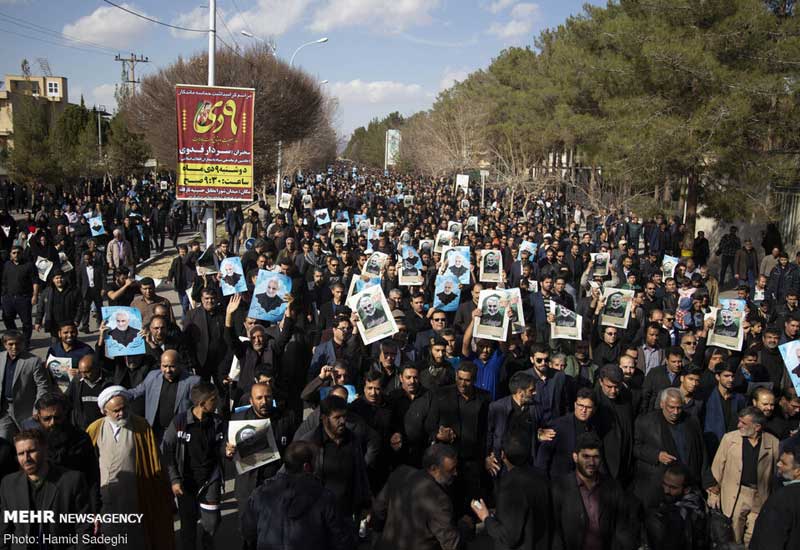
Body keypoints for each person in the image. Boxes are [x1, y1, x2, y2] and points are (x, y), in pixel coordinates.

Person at [85, 386, 175, 550]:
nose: (121, 413)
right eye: (116, 411)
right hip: (106, 498)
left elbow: (154, 461)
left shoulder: (141, 426)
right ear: (105, 411)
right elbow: (87, 465)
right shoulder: (95, 429)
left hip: (136, 495)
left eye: (125, 408)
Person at [241, 440, 355, 550]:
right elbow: (341, 539)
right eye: (315, 461)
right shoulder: (324, 498)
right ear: (306, 467)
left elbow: (248, 532)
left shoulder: (260, 494)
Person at [162, 382, 225, 550]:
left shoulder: (218, 422)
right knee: (188, 526)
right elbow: (167, 452)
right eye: (214, 399)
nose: (218, 401)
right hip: (186, 483)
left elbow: (225, 448)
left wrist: (229, 450)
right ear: (202, 404)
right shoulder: (179, 423)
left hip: (210, 481)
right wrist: (175, 480)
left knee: (211, 523)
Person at [0, 430, 93, 543]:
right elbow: (4, 530)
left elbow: (84, 528)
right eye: (21, 454)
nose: (26, 458)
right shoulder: (8, 484)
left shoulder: (72, 481)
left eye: (31, 451)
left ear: (45, 449)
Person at [372, 443, 468, 550]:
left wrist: (376, 535)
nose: (456, 473)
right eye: (451, 470)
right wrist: (464, 527)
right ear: (434, 469)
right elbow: (452, 544)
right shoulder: (439, 499)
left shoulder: (400, 473)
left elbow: (378, 509)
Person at [551, 433, 638, 550]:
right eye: (586, 456)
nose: (591, 462)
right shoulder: (559, 488)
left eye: (596, 457)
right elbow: (554, 531)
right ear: (575, 457)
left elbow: (622, 528)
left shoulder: (613, 487)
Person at [708, 406, 780, 546]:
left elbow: (777, 473)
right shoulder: (729, 439)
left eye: (743, 423)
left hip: (760, 496)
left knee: (754, 537)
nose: (738, 425)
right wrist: (713, 493)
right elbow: (717, 468)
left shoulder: (773, 443)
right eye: (739, 421)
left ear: (757, 427)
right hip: (737, 494)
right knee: (734, 536)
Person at [471, 432, 551, 550]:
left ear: (503, 455)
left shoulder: (510, 485)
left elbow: (508, 537)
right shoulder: (542, 477)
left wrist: (485, 517)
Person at [633, 388, 708, 508]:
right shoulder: (645, 422)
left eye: (679, 408)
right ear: (662, 404)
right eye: (671, 407)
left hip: (688, 487)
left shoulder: (692, 421)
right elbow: (636, 447)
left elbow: (701, 451)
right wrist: (656, 455)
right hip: (658, 488)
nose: (676, 412)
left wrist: (707, 482)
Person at [127, 349, 201, 443]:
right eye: (164, 366)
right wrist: (119, 395)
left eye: (172, 366)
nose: (168, 370)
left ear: (180, 365)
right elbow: (136, 392)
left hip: (179, 432)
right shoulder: (153, 376)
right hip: (156, 432)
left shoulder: (193, 381)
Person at [644, 463, 708, 550]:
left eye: (672, 487)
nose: (666, 490)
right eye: (664, 484)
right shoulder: (672, 500)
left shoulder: (690, 507)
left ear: (687, 490)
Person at [0, 331, 51, 440]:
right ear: (5, 344)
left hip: (26, 410)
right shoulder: (0, 358)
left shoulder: (33, 361)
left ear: (22, 344)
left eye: (17, 344)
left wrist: (37, 408)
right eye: (10, 344)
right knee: (3, 442)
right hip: (4, 410)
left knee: (31, 440)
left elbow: (42, 386)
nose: (14, 347)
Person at [535, 388, 596, 478]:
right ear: (575, 405)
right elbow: (543, 457)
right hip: (560, 483)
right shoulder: (559, 425)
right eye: (581, 405)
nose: (584, 410)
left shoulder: (594, 428)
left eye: (588, 407)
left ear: (594, 408)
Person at [749, 444, 800, 550]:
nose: (778, 464)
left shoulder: (782, 499)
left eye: (784, 463)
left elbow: (770, 541)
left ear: (797, 471)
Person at [1, 246, 39, 345]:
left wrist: (35, 295)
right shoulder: (7, 265)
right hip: (8, 298)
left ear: (22, 253)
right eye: (14, 253)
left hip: (24, 298)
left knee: (26, 322)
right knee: (7, 319)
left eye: (18, 252)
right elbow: (4, 280)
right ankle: (16, 338)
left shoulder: (29, 265)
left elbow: (35, 281)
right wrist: (4, 294)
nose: (16, 255)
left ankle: (25, 342)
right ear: (10, 254)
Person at [65, 354, 114, 430]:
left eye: (86, 372)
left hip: (103, 428)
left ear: (96, 368)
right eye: (81, 372)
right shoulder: (77, 381)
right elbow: (67, 400)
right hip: (82, 429)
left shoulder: (109, 382)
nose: (83, 376)